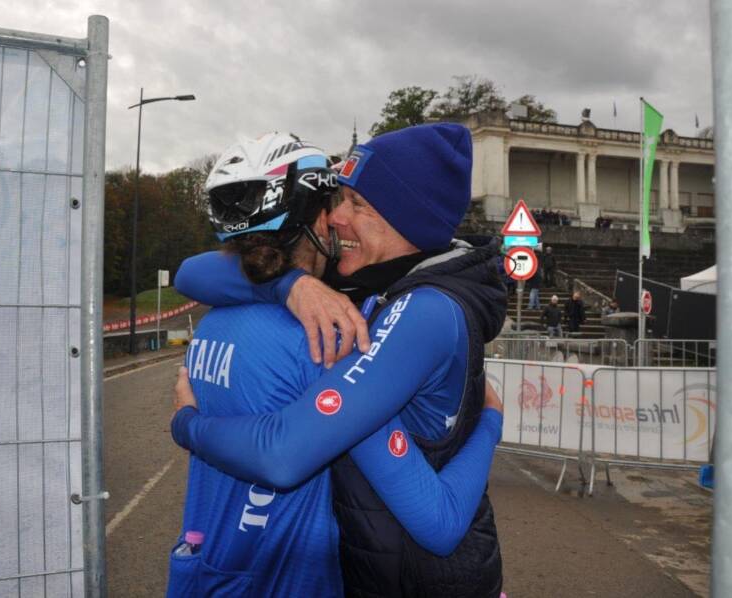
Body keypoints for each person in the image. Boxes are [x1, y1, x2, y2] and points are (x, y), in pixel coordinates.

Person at [173, 123, 507, 597]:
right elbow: (192, 272)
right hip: (360, 570)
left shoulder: (402, 313)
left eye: (357, 204)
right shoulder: (351, 301)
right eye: (336, 201)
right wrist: (290, 284)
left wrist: (185, 423)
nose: (336, 218)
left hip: (422, 580)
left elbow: (438, 521)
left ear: (406, 220)